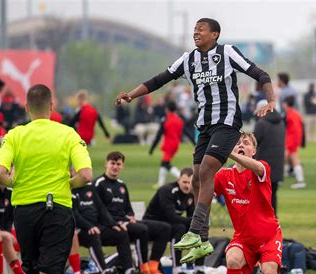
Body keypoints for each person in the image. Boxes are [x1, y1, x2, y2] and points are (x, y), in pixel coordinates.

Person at [116, 18, 276, 261]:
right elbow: (159, 80)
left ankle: (193, 230)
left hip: (227, 122)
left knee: (207, 172)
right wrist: (131, 95)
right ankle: (202, 240)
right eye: (194, 29)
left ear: (215, 34)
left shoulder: (227, 53)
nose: (196, 32)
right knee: (198, 180)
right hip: (205, 126)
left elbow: (260, 74)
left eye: (201, 29)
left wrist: (271, 100)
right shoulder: (187, 59)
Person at [0, 84, 92, 274]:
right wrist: (68, 183)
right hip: (55, 209)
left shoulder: (15, 134)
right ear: (52, 107)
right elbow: (86, 175)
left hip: (24, 212)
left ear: (26, 107)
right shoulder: (67, 133)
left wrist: (14, 183)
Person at [214, 132, 293, 274]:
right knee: (232, 260)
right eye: (237, 143)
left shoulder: (261, 168)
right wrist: (201, 163)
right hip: (244, 237)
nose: (241, 145)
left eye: (246, 143)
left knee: (268, 272)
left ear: (254, 151)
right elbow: (204, 190)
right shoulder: (223, 176)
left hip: (269, 235)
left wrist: (228, 153)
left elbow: (257, 167)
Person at [94, 151, 173, 274]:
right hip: (108, 225)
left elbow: (128, 209)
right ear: (106, 164)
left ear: (122, 166)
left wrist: (130, 216)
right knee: (141, 230)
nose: (115, 167)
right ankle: (143, 270)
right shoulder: (99, 184)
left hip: (124, 222)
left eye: (118, 164)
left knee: (164, 228)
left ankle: (154, 268)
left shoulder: (122, 185)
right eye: (112, 163)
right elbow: (99, 211)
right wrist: (114, 223)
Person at [143, 167, 208, 274]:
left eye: (189, 182)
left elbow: (191, 215)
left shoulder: (191, 193)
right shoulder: (167, 190)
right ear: (178, 180)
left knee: (200, 228)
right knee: (180, 228)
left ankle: (199, 269)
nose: (187, 185)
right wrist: (192, 221)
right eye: (184, 182)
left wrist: (198, 224)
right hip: (152, 224)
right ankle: (176, 269)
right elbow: (170, 216)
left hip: (169, 225)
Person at [72, 183, 144, 274]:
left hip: (96, 226)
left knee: (121, 233)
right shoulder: (69, 189)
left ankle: (129, 272)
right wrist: (89, 226)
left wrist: (113, 224)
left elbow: (101, 209)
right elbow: (74, 214)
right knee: (93, 235)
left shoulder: (90, 188)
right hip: (79, 230)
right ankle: (104, 273)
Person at [0, 180, 33, 274]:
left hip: (1, 230)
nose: (7, 172)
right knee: (7, 238)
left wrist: (6, 231)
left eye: (9, 170)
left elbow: (10, 217)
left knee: (22, 239)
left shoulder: (11, 191)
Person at [149, 101, 196, 188]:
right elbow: (187, 133)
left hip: (168, 145)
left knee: (165, 163)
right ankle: (160, 183)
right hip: (175, 145)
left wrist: (152, 149)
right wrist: (194, 143)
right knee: (164, 163)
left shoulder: (165, 120)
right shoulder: (179, 120)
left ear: (167, 109)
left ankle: (181, 177)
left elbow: (159, 135)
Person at [254, 100, 285, 213]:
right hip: (277, 166)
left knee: (262, 196)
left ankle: (264, 221)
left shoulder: (261, 124)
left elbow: (253, 144)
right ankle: (273, 220)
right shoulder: (281, 122)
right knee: (273, 195)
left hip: (263, 167)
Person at [283, 96, 305, 189]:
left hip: (291, 141)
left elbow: (295, 130)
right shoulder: (294, 113)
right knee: (289, 159)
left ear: (286, 103)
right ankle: (286, 174)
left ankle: (300, 181)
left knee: (295, 160)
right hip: (292, 141)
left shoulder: (291, 114)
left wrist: (291, 143)